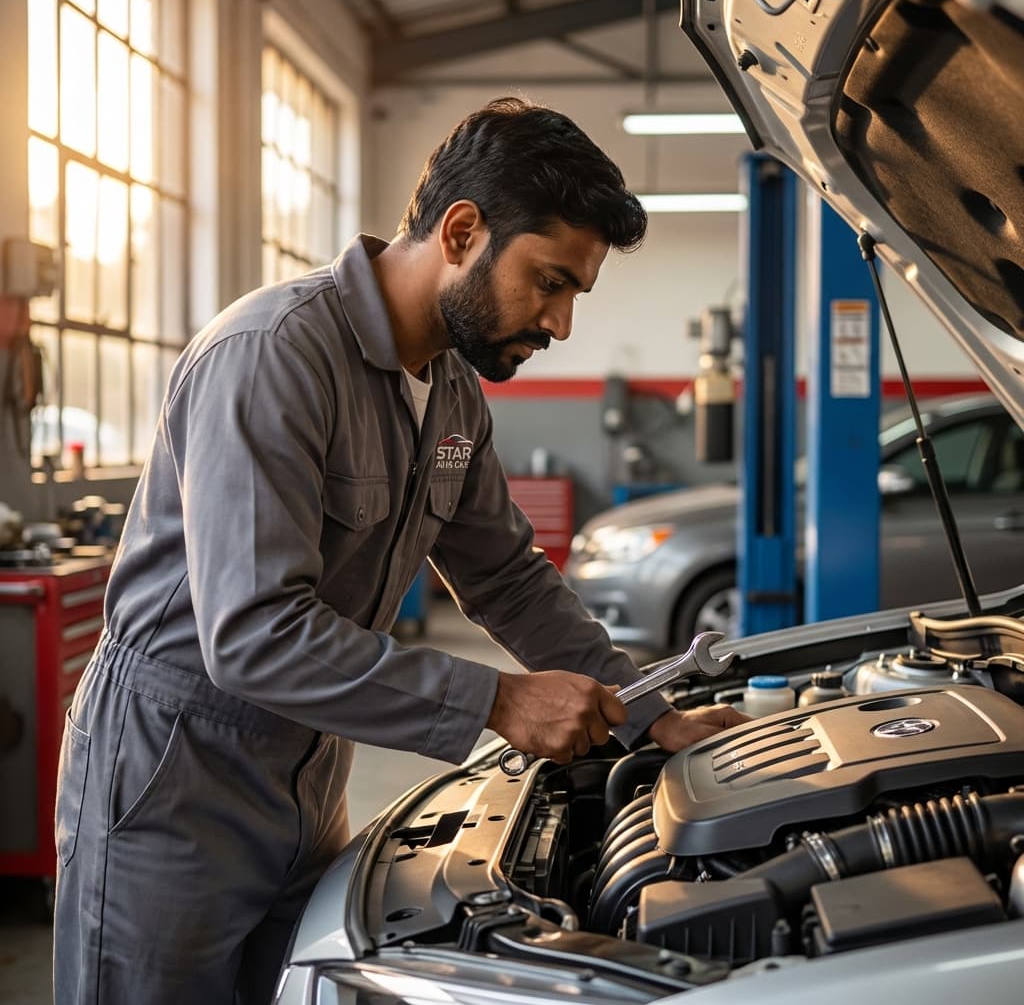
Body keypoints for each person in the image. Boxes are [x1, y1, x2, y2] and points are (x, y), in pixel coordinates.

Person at [53, 96, 746, 1004]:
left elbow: (504, 576)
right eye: (548, 281)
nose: (562, 324)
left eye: (576, 292)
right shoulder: (274, 356)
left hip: (307, 778)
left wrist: (647, 716)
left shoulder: (451, 393)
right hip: (174, 779)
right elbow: (254, 632)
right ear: (462, 232)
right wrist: (495, 699)